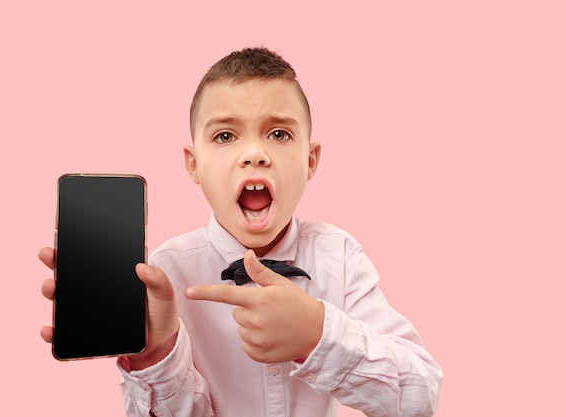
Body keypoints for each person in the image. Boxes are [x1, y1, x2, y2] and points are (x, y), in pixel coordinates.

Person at [40, 47, 443, 416]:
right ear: (194, 164)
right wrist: (157, 354)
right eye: (226, 136)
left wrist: (319, 337)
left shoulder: (339, 256)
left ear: (310, 160)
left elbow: (421, 396)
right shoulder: (165, 273)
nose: (254, 154)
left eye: (279, 134)